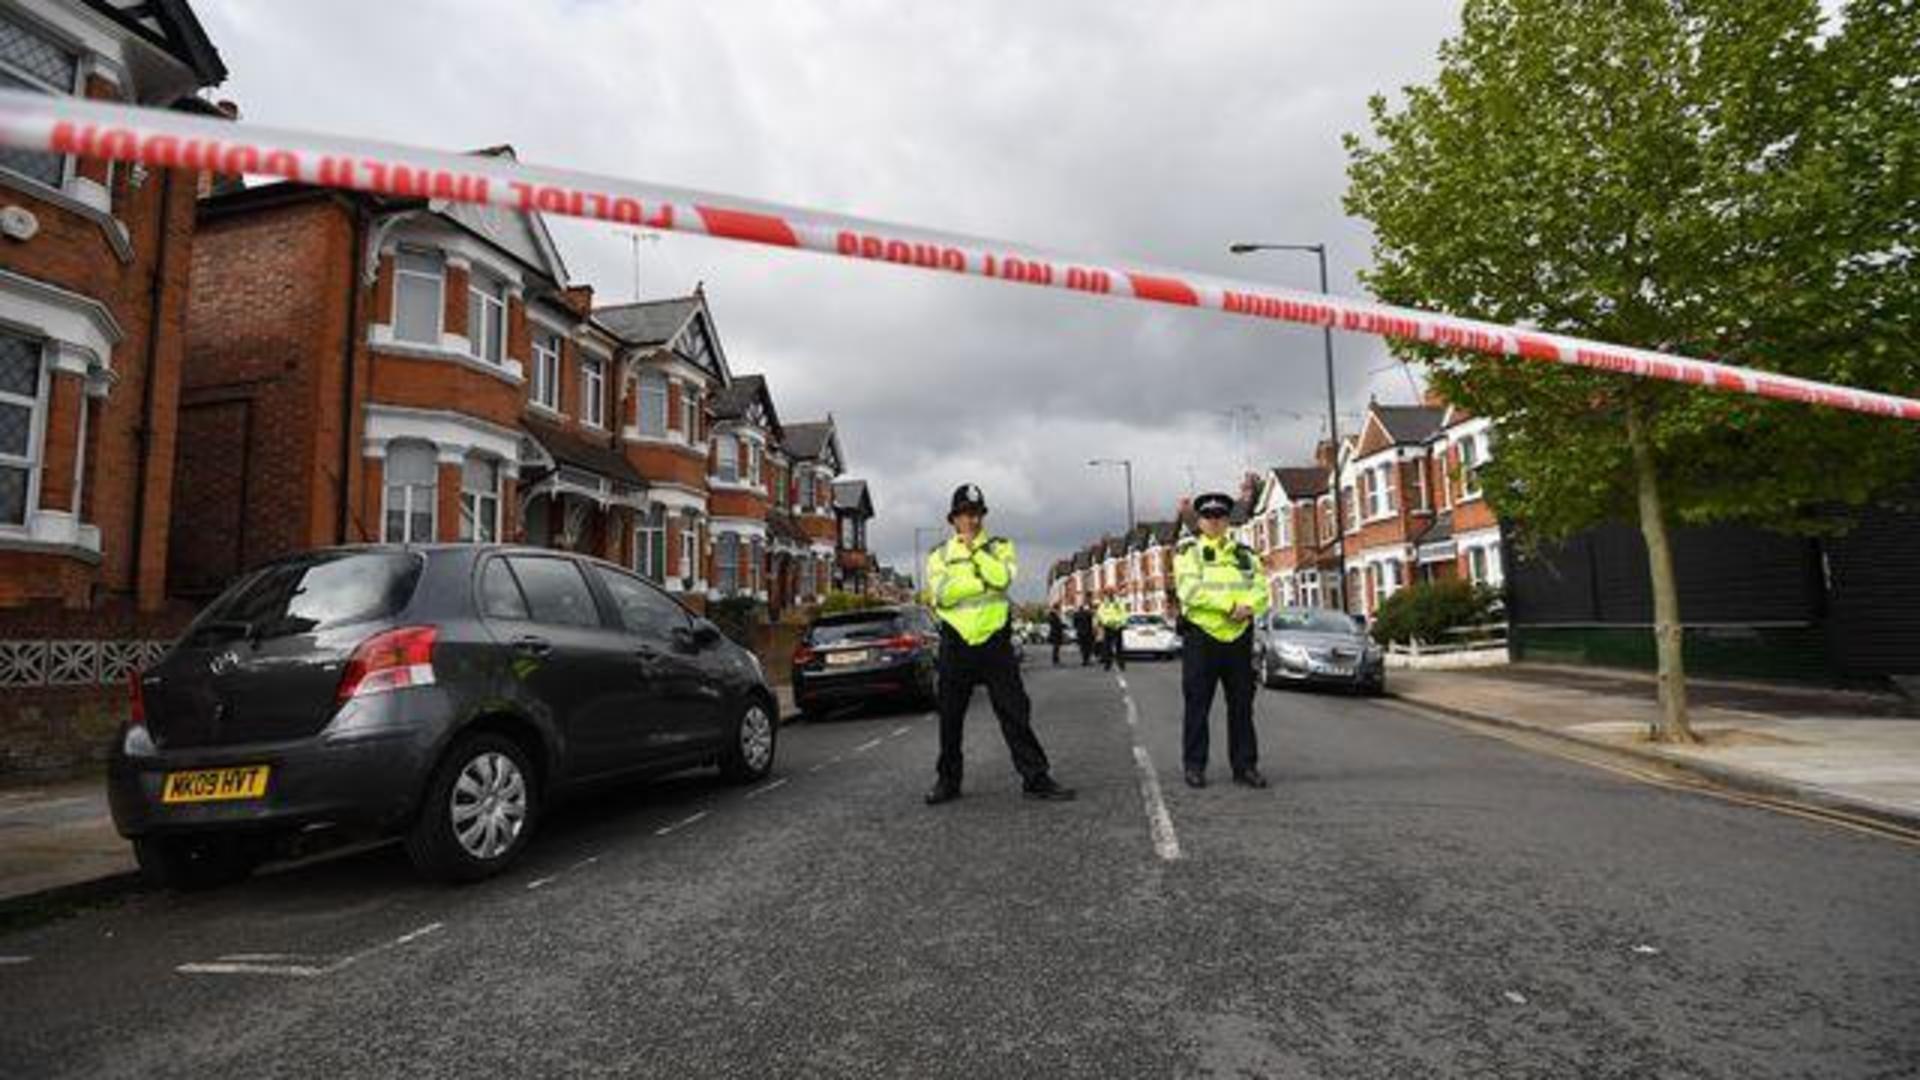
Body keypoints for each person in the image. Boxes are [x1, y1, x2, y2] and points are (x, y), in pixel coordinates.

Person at [923, 484, 1076, 805]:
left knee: (1015, 712)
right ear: (953, 519)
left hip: (995, 641)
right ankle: (948, 781)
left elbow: (1002, 579)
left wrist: (975, 555)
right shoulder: (938, 555)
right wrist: (981, 582)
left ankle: (1035, 778)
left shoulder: (1000, 547)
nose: (972, 521)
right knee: (950, 717)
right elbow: (940, 595)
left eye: (977, 514)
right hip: (956, 642)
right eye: (965, 514)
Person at [1174, 492, 1271, 789]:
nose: (1214, 523)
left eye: (1220, 517)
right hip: (1203, 637)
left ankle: (1245, 766)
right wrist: (1229, 607)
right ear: (1200, 521)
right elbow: (1189, 591)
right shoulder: (1187, 552)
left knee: (1242, 705)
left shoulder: (1245, 554)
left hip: (1239, 637)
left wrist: (1249, 607)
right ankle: (1195, 766)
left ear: (1227, 520)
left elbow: (1262, 589)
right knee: (1197, 706)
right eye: (1208, 517)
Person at [1097, 593, 1129, 672]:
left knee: (1119, 647)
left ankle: (1121, 664)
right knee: (1107, 647)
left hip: (1118, 627)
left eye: (1112, 596)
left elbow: (1124, 614)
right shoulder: (1104, 604)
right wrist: (1106, 622)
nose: (1111, 597)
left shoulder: (1119, 604)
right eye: (1110, 596)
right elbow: (1100, 614)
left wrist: (1121, 623)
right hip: (1108, 627)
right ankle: (1108, 664)